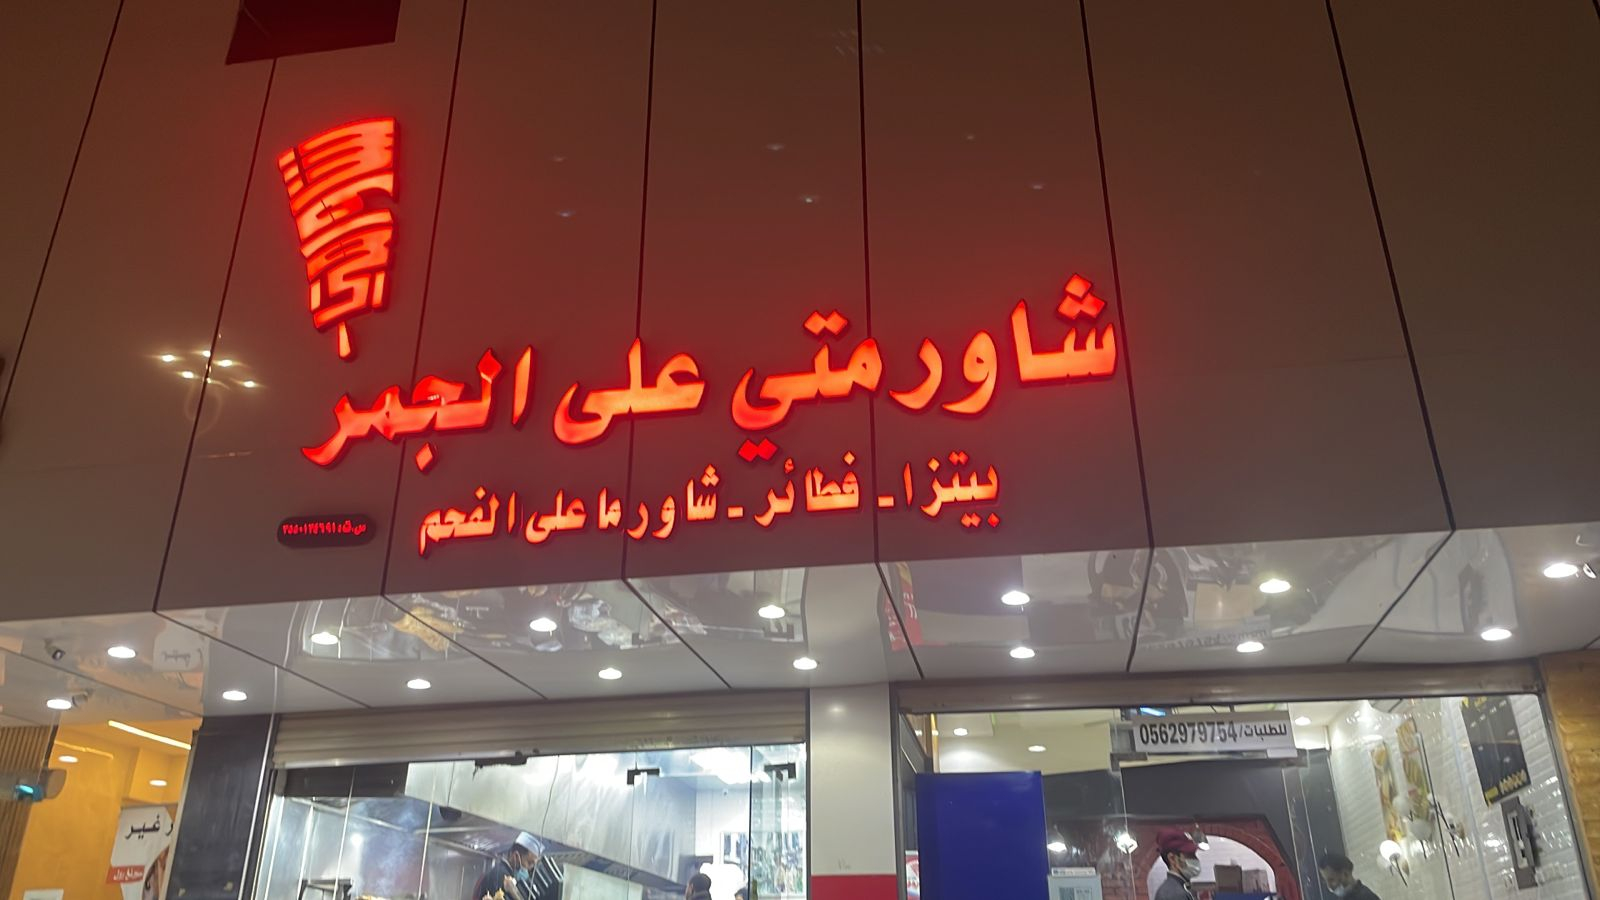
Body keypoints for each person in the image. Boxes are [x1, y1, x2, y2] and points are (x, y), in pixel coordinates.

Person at [472, 832, 545, 900]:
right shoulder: (502, 875)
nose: (530, 868)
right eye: (529, 863)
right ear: (516, 856)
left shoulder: (503, 872)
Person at [1154, 827, 1203, 900]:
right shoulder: (1174, 894)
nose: (1196, 859)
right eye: (1189, 855)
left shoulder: (1175, 888)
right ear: (1172, 858)